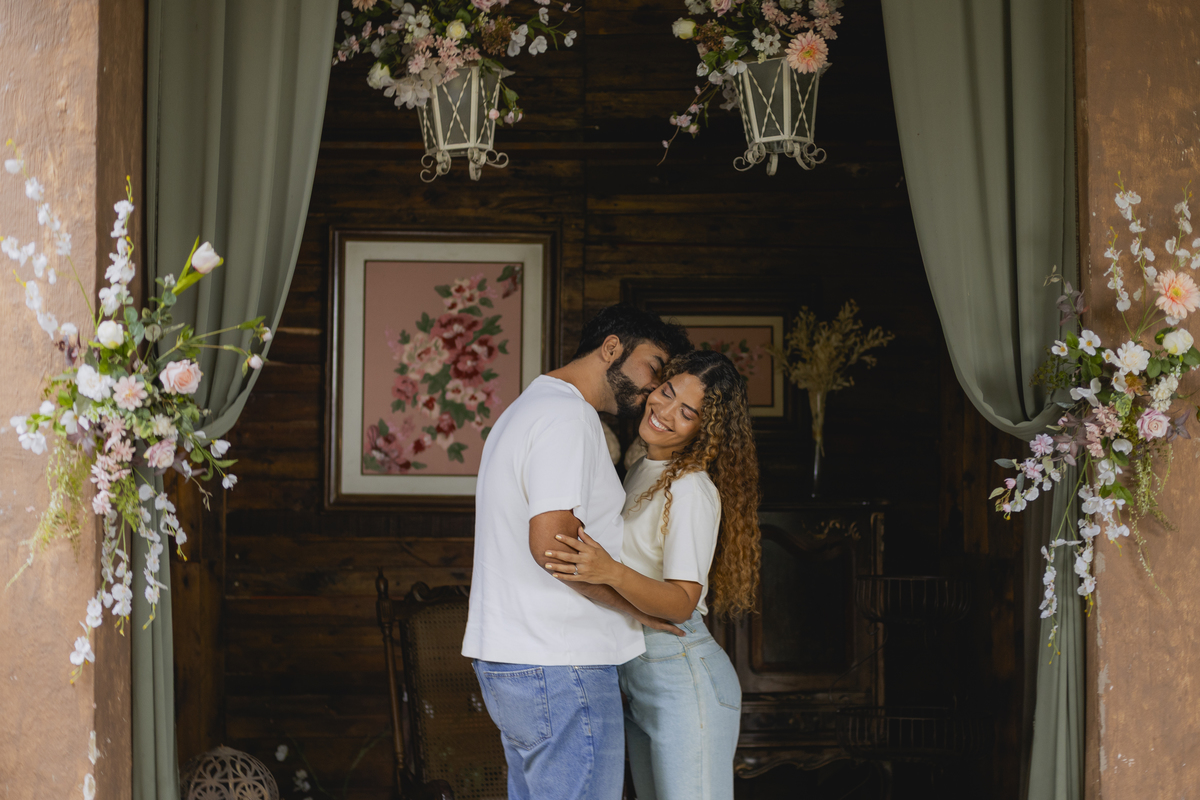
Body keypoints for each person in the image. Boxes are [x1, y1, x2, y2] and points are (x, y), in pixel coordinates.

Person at [462, 304, 694, 800]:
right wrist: (633, 607)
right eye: (653, 367)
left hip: (518, 661)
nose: (654, 388)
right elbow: (553, 547)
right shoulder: (566, 415)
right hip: (560, 665)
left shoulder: (529, 407)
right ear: (612, 348)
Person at [543, 349, 762, 800]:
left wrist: (610, 571)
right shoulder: (643, 469)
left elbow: (681, 603)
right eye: (666, 392)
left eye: (687, 412)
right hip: (641, 677)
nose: (664, 411)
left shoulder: (690, 488)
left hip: (683, 677)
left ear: (705, 428)